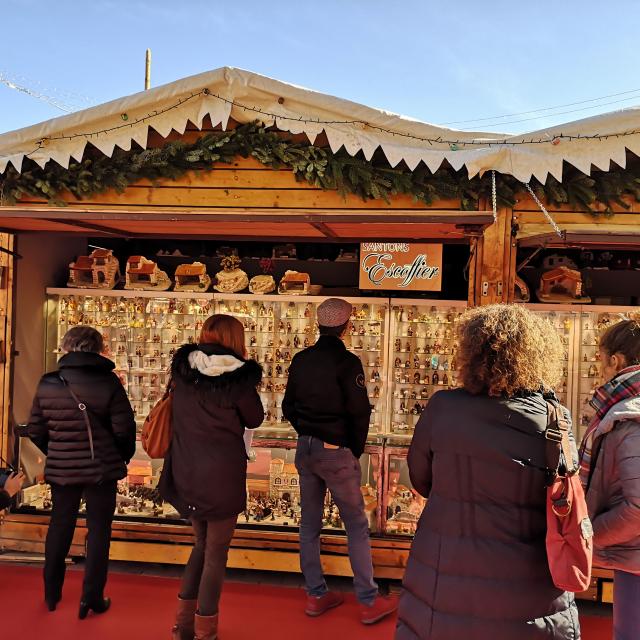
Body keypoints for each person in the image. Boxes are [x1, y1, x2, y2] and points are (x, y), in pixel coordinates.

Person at [396, 304, 580, 640]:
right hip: (530, 579)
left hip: (446, 569)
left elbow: (420, 478)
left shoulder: (443, 409)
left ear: (470, 352)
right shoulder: (555, 418)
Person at [282, 297, 397, 625]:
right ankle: (368, 600)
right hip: (336, 452)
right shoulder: (348, 363)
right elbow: (360, 411)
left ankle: (316, 594)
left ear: (319, 324)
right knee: (357, 526)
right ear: (346, 326)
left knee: (309, 525)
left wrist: (306, 432)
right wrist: (352, 448)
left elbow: (288, 405)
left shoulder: (301, 359)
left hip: (305, 449)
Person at [160, 314, 264, 640]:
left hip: (187, 469)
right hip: (222, 475)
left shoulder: (182, 372)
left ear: (205, 333)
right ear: (236, 339)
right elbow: (255, 417)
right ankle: (206, 630)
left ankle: (183, 627)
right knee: (216, 552)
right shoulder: (239, 379)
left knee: (201, 544)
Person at [26, 326, 136, 618]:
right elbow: (125, 431)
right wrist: (118, 457)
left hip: (63, 469)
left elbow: (35, 429)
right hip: (102, 470)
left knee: (60, 526)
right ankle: (92, 597)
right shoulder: (109, 383)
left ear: (65, 347)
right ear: (99, 349)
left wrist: (59, 452)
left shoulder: (49, 382)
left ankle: (51, 594)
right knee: (99, 531)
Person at [579, 319, 640, 640]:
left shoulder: (630, 416)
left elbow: (638, 508)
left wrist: (590, 535)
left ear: (615, 361)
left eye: (600, 359)